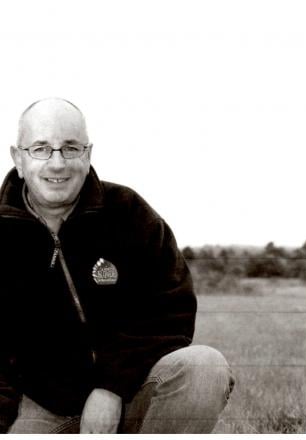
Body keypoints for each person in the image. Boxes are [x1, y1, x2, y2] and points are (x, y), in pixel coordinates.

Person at [0, 98, 234, 433]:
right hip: (45, 406)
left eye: (70, 148)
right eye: (41, 149)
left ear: (88, 154)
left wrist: (111, 385)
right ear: (18, 158)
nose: (57, 163)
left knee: (203, 366)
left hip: (133, 390)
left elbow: (172, 310)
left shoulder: (130, 213)